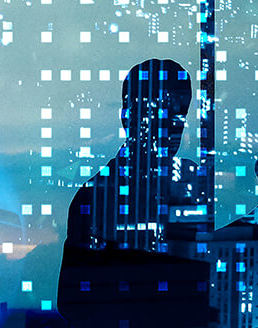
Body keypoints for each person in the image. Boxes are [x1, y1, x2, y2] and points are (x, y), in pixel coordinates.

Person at [63, 59, 196, 253]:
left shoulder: (192, 182)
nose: (170, 126)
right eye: (157, 113)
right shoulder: (94, 199)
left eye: (179, 115)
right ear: (128, 116)